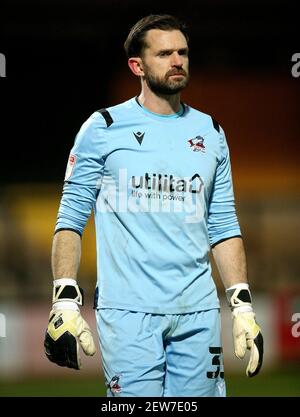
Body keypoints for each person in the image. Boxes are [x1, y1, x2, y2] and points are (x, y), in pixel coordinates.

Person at [44, 14, 263, 397]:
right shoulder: (103, 128)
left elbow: (224, 225)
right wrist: (64, 296)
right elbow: (71, 218)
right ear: (138, 66)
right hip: (128, 313)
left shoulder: (211, 133)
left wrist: (242, 303)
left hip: (198, 311)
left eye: (182, 52)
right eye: (164, 54)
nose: (177, 60)